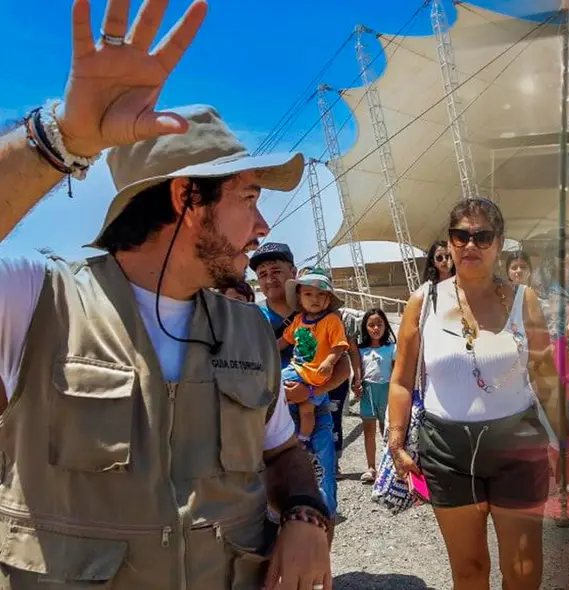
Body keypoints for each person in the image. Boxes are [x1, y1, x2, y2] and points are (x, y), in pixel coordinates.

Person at [0, 1, 331, 587]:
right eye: (249, 198)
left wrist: (307, 515)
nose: (263, 229)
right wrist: (62, 139)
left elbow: (281, 453)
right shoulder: (38, 302)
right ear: (187, 200)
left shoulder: (250, 329)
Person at [388, 199, 558, 590]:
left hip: (517, 444)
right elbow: (400, 379)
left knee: (522, 568)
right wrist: (396, 442)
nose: (470, 245)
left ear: (498, 243)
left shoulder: (522, 299)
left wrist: (566, 442)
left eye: (482, 236)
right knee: (468, 570)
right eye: (461, 235)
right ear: (449, 242)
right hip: (447, 451)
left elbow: (545, 374)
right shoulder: (423, 301)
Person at [278, 272, 348, 514]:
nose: (314, 299)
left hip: (314, 377)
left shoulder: (331, 321)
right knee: (293, 398)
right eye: (308, 294)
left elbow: (340, 347)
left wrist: (329, 361)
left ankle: (325, 510)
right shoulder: (298, 321)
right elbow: (283, 342)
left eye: (321, 295)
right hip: (298, 371)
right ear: (299, 297)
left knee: (299, 402)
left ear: (329, 300)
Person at [357, 308, 397, 484]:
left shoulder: (392, 348)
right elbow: (358, 373)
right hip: (368, 393)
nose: (375, 328)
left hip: (387, 392)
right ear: (365, 328)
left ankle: (388, 466)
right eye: (371, 325)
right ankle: (371, 467)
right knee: (368, 431)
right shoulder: (361, 350)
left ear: (385, 326)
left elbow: (397, 372)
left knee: (386, 430)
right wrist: (355, 385)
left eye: (379, 324)